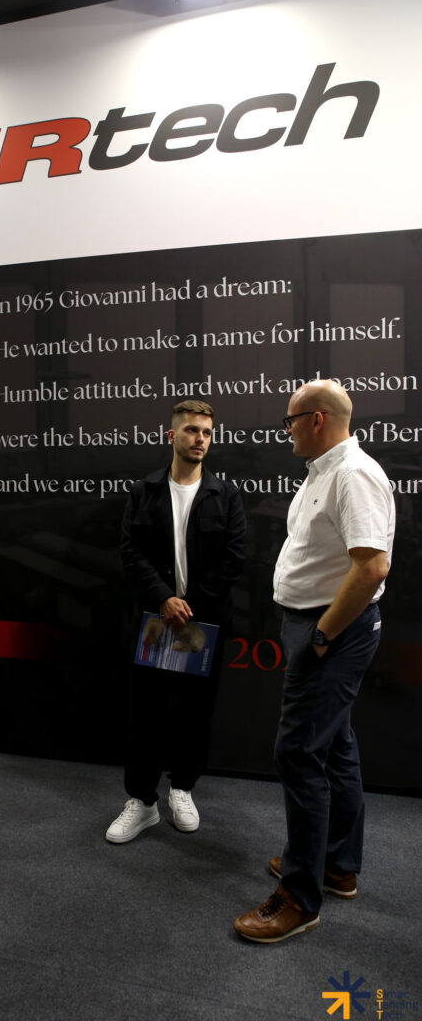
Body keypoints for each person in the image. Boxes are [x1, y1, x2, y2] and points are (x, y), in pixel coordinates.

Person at [234, 379, 395, 943]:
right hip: (319, 625)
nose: (287, 430)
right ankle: (337, 865)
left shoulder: (352, 474)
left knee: (298, 753)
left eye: (290, 420)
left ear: (317, 419)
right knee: (335, 745)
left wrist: (323, 634)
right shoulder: (325, 471)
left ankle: (300, 898)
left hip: (332, 631)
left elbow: (372, 567)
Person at [105, 399, 246, 844]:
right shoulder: (144, 491)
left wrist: (188, 605)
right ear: (172, 435)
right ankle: (142, 801)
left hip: (201, 624)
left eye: (206, 432)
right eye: (190, 430)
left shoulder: (226, 495)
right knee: (145, 713)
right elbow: (131, 551)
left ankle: (182, 788)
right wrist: (164, 599)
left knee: (194, 712)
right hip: (155, 621)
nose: (199, 439)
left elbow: (234, 559)